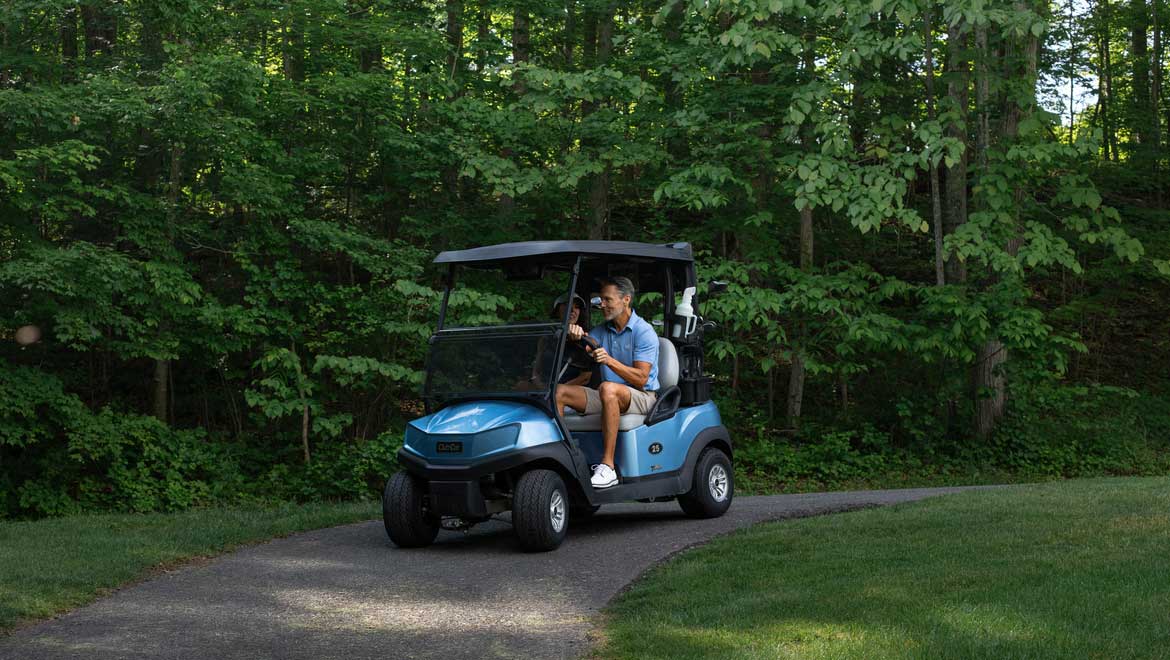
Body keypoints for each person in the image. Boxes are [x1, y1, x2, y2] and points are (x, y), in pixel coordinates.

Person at [555, 276, 659, 489]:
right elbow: (588, 344)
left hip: (642, 396)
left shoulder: (643, 331)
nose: (602, 304)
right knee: (559, 392)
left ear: (626, 300)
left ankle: (608, 466)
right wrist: (574, 333)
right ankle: (562, 458)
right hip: (608, 395)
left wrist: (610, 361)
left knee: (608, 388)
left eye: (607, 299)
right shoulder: (603, 330)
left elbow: (642, 378)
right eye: (601, 299)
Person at [550, 292, 593, 387]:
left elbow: (585, 377)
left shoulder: (586, 338)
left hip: (570, 391)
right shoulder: (547, 337)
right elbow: (537, 370)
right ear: (557, 310)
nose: (573, 310)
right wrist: (540, 385)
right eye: (567, 305)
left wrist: (556, 390)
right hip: (545, 389)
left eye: (577, 307)